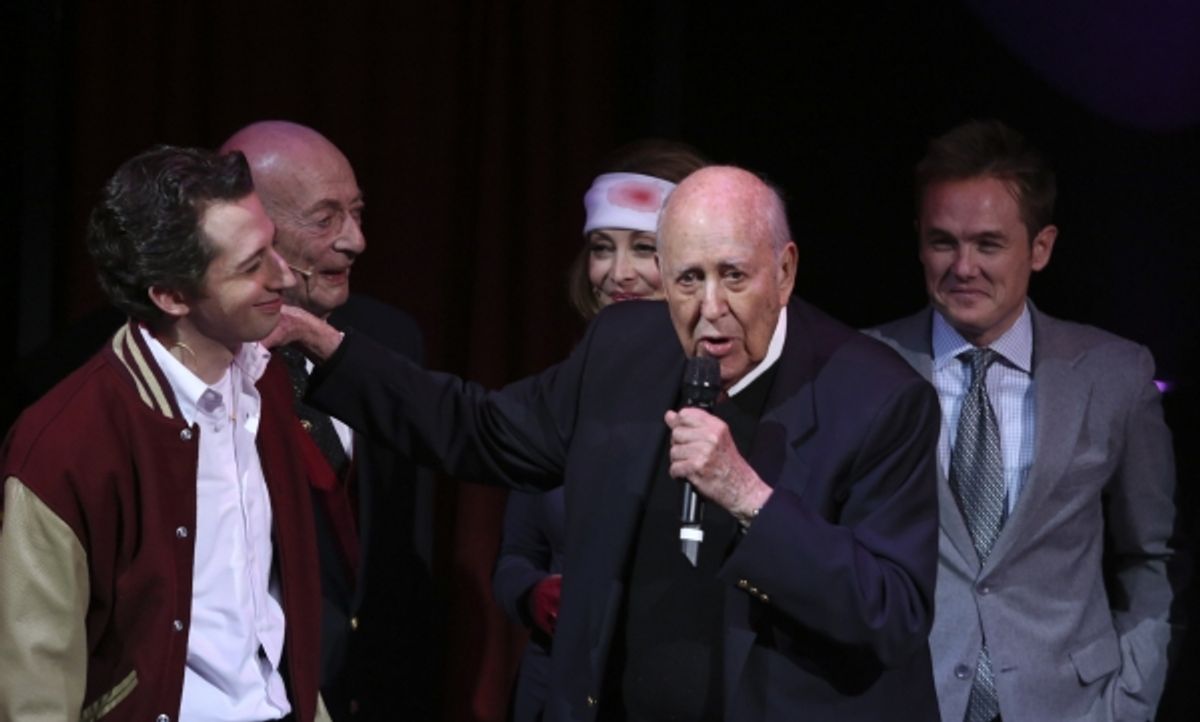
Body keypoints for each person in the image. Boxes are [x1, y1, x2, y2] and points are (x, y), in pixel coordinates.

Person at [274, 164, 942, 721]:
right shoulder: (625, 349)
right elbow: (480, 429)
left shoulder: (879, 400)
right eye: (688, 279)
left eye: (734, 276)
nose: (710, 307)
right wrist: (330, 352)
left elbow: (891, 612)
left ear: (786, 270)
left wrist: (748, 499)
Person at [0, 146, 328, 721]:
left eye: (273, 244)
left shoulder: (266, 382)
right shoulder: (67, 442)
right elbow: (36, 680)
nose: (283, 274)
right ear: (171, 295)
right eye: (252, 265)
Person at [866, 119, 1178, 722]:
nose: (963, 266)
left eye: (988, 244)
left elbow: (1150, 556)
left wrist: (1129, 701)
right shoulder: (863, 365)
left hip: (1073, 706)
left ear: (1041, 247)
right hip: (907, 699)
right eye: (941, 241)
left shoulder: (1116, 375)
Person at [220, 121, 433, 721]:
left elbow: (403, 552)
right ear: (250, 225)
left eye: (357, 213)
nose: (356, 241)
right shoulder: (200, 358)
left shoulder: (392, 342)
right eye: (326, 219)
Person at [492, 140, 707, 722]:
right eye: (601, 249)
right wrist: (535, 597)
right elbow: (514, 557)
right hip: (556, 691)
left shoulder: (725, 401)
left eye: (645, 249)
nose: (619, 274)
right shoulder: (561, 395)